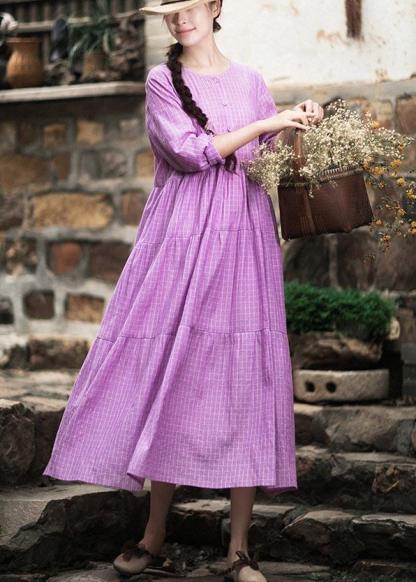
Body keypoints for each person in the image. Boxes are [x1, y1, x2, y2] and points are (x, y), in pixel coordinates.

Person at [42, 0, 324, 580]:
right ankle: (154, 534)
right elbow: (191, 153)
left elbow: (264, 163)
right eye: (169, 11)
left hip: (245, 241)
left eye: (188, 6)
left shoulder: (250, 81)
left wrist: (299, 122)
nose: (179, 19)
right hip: (182, 241)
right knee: (175, 370)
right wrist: (265, 123)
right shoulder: (160, 80)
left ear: (215, 7)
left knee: (246, 377)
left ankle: (239, 548)